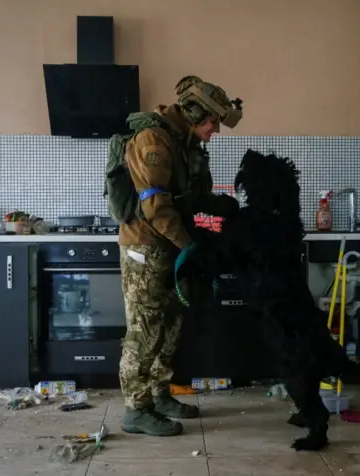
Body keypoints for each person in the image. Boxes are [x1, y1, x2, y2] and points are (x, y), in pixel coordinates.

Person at [117, 75, 243, 436]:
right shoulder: (153, 140)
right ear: (192, 112)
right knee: (144, 331)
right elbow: (155, 205)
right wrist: (190, 244)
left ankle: (159, 394)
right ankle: (135, 409)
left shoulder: (185, 143)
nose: (215, 129)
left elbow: (194, 199)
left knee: (170, 327)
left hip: (171, 248)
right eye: (212, 121)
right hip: (146, 248)